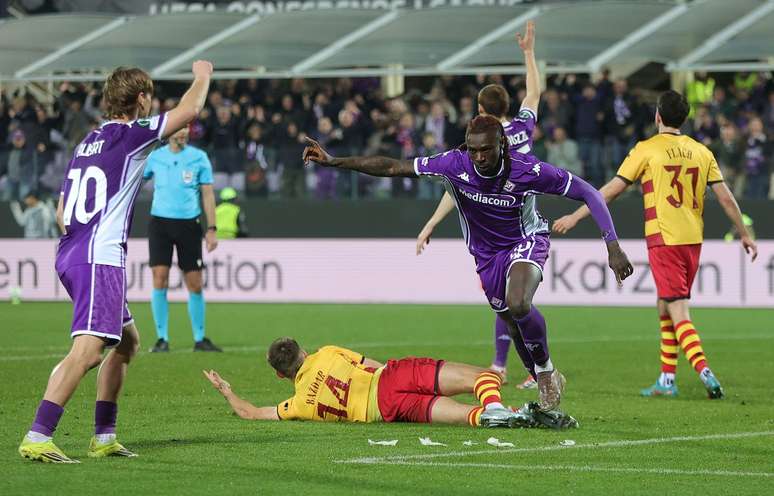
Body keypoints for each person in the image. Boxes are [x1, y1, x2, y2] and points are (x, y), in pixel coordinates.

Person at [303, 114, 633, 411]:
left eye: (486, 150)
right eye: (473, 151)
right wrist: (335, 162)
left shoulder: (527, 171)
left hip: (526, 241)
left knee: (519, 304)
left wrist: (613, 245)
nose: (479, 158)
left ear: (501, 144)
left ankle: (545, 372)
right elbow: (392, 166)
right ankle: (541, 374)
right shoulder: (453, 164)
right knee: (508, 317)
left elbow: (589, 192)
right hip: (486, 255)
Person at [18, 60, 213, 464]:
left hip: (72, 250)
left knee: (127, 342)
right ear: (141, 98)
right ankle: (39, 434)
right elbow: (190, 111)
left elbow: (60, 213)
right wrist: (203, 74)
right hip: (98, 258)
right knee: (89, 351)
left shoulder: (86, 142)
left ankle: (103, 436)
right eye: (149, 95)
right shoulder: (133, 135)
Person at [553, 90, 758, 399]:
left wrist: (576, 215)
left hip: (664, 239)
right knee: (665, 304)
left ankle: (706, 373)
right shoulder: (702, 151)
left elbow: (609, 191)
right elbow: (727, 198)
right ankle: (666, 379)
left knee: (677, 310)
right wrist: (744, 232)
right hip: (692, 240)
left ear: (658, 116)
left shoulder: (647, 150)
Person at [416, 21, 541, 390]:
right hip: (524, 219)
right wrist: (529, 53)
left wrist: (431, 224)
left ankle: (523, 366)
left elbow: (455, 191)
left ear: (481, 110)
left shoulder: (481, 145)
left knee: (508, 300)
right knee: (509, 300)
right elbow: (533, 93)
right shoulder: (522, 129)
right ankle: (512, 366)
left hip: (496, 226)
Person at [203, 337, 578, 429]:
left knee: (467, 416)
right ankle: (499, 405)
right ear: (304, 349)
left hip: (388, 410)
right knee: (482, 377)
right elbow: (373, 364)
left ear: (279, 375)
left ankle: (495, 415)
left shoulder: (299, 403)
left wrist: (226, 390)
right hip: (393, 377)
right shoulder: (329, 352)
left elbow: (252, 413)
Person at [143, 126, 221, 354]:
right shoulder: (155, 158)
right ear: (169, 132)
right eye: (179, 128)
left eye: (186, 128)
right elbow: (136, 183)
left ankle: (199, 338)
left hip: (189, 224)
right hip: (160, 224)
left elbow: (207, 194)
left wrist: (212, 228)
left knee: (195, 282)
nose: (183, 133)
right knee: (160, 278)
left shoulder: (199, 157)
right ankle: (161, 339)